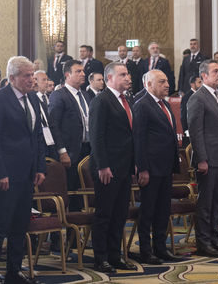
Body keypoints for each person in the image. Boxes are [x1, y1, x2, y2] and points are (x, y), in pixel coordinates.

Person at [0, 56, 46, 284]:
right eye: (26, 76)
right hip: (6, 174)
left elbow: (37, 135)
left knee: (20, 225)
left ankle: (14, 271)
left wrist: (40, 167)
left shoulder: (33, 98)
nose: (32, 80)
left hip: (27, 173)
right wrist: (0, 172)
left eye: (32, 75)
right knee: (0, 225)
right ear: (12, 78)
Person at [88, 62, 136, 273]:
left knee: (119, 214)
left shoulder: (128, 100)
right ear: (109, 78)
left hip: (124, 166)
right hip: (107, 167)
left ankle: (115, 256)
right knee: (105, 214)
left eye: (128, 74)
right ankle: (101, 258)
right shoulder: (101, 100)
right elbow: (96, 136)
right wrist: (103, 165)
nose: (128, 78)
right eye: (123, 74)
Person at [132, 69, 182, 264]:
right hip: (150, 168)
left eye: (167, 81)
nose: (167, 85)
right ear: (149, 84)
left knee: (163, 210)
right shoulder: (142, 105)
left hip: (166, 167)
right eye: (162, 82)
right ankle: (146, 250)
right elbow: (139, 139)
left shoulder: (165, 104)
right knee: (148, 211)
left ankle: (160, 248)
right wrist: (142, 168)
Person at [187, 60, 218, 257]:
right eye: (215, 71)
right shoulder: (197, 98)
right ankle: (203, 242)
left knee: (217, 203)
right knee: (205, 204)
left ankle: (214, 240)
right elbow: (195, 132)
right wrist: (201, 159)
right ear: (204, 76)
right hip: (207, 160)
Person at [48, 59, 92, 212]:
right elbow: (54, 125)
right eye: (78, 71)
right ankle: (66, 223)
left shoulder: (86, 95)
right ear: (67, 75)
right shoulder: (59, 95)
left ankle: (79, 225)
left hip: (87, 149)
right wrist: (62, 151)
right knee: (70, 191)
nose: (83, 74)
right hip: (70, 152)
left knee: (83, 191)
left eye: (83, 71)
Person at [33, 70, 57, 159]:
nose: (47, 82)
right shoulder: (33, 99)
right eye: (43, 80)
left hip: (52, 140)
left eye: (47, 79)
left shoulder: (50, 97)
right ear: (35, 81)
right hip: (40, 142)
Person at [180, 75, 202, 144]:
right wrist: (186, 130)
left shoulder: (203, 95)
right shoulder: (186, 97)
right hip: (190, 131)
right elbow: (183, 115)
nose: (202, 84)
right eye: (199, 82)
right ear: (192, 84)